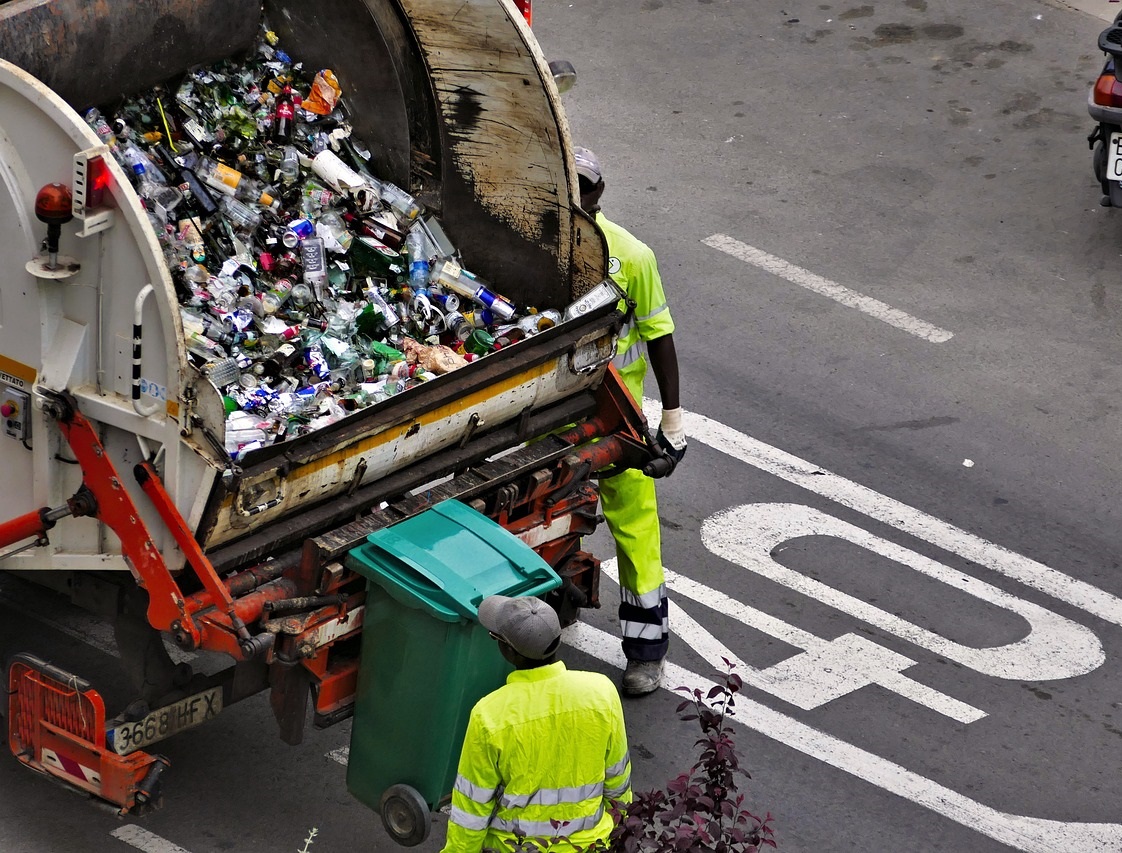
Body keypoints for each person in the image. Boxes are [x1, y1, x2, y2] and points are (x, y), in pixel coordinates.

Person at [573, 146, 686, 696]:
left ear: (600, 191)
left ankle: (646, 653)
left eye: (585, 185)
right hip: (550, 411)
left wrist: (673, 419)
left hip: (616, 416)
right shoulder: (532, 241)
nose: (577, 194)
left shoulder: (632, 257)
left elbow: (660, 336)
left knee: (636, 532)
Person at [441, 595, 632, 853]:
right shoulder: (601, 693)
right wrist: (622, 831)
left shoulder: (489, 716)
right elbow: (618, 781)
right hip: (592, 845)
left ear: (508, 650)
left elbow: (472, 809)